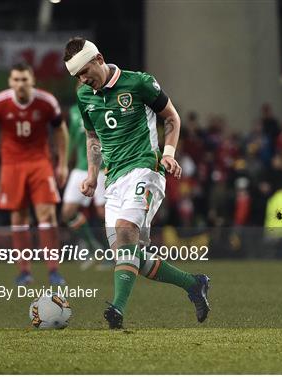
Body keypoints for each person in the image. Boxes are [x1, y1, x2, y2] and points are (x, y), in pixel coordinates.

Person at [63, 37, 210, 329]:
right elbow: (93, 137)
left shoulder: (139, 83)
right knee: (130, 257)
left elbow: (171, 118)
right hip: (112, 180)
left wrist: (168, 154)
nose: (83, 79)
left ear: (99, 59)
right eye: (77, 76)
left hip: (146, 169)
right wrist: (93, 174)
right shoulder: (84, 96)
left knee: (125, 231)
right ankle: (194, 284)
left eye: (85, 71)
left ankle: (116, 310)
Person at [0, 62, 69, 285]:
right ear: (10, 82)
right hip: (11, 164)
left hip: (40, 162)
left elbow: (60, 130)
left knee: (46, 215)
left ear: (32, 81)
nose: (20, 84)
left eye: (24, 80)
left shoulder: (46, 102)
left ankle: (53, 271)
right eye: (16, 80)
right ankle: (24, 271)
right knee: (19, 217)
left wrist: (62, 164)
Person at [62, 91, 109, 270]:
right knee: (67, 212)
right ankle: (93, 247)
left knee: (103, 213)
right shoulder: (74, 111)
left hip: (103, 167)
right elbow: (72, 139)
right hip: (81, 167)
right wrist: (64, 165)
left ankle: (112, 254)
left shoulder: (106, 104)